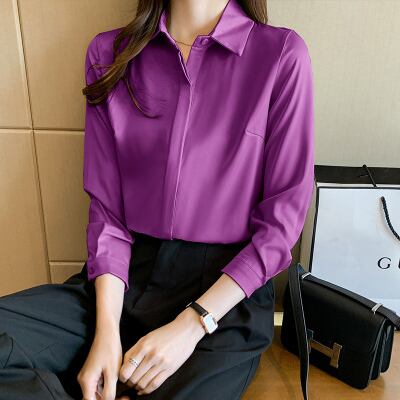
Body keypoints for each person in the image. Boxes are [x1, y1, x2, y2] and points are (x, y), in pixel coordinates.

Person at [0, 0, 314, 399]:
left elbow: (281, 226)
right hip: (122, 280)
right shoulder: (109, 54)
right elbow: (108, 214)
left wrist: (194, 323)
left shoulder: (281, 54)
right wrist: (106, 331)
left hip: (225, 296)